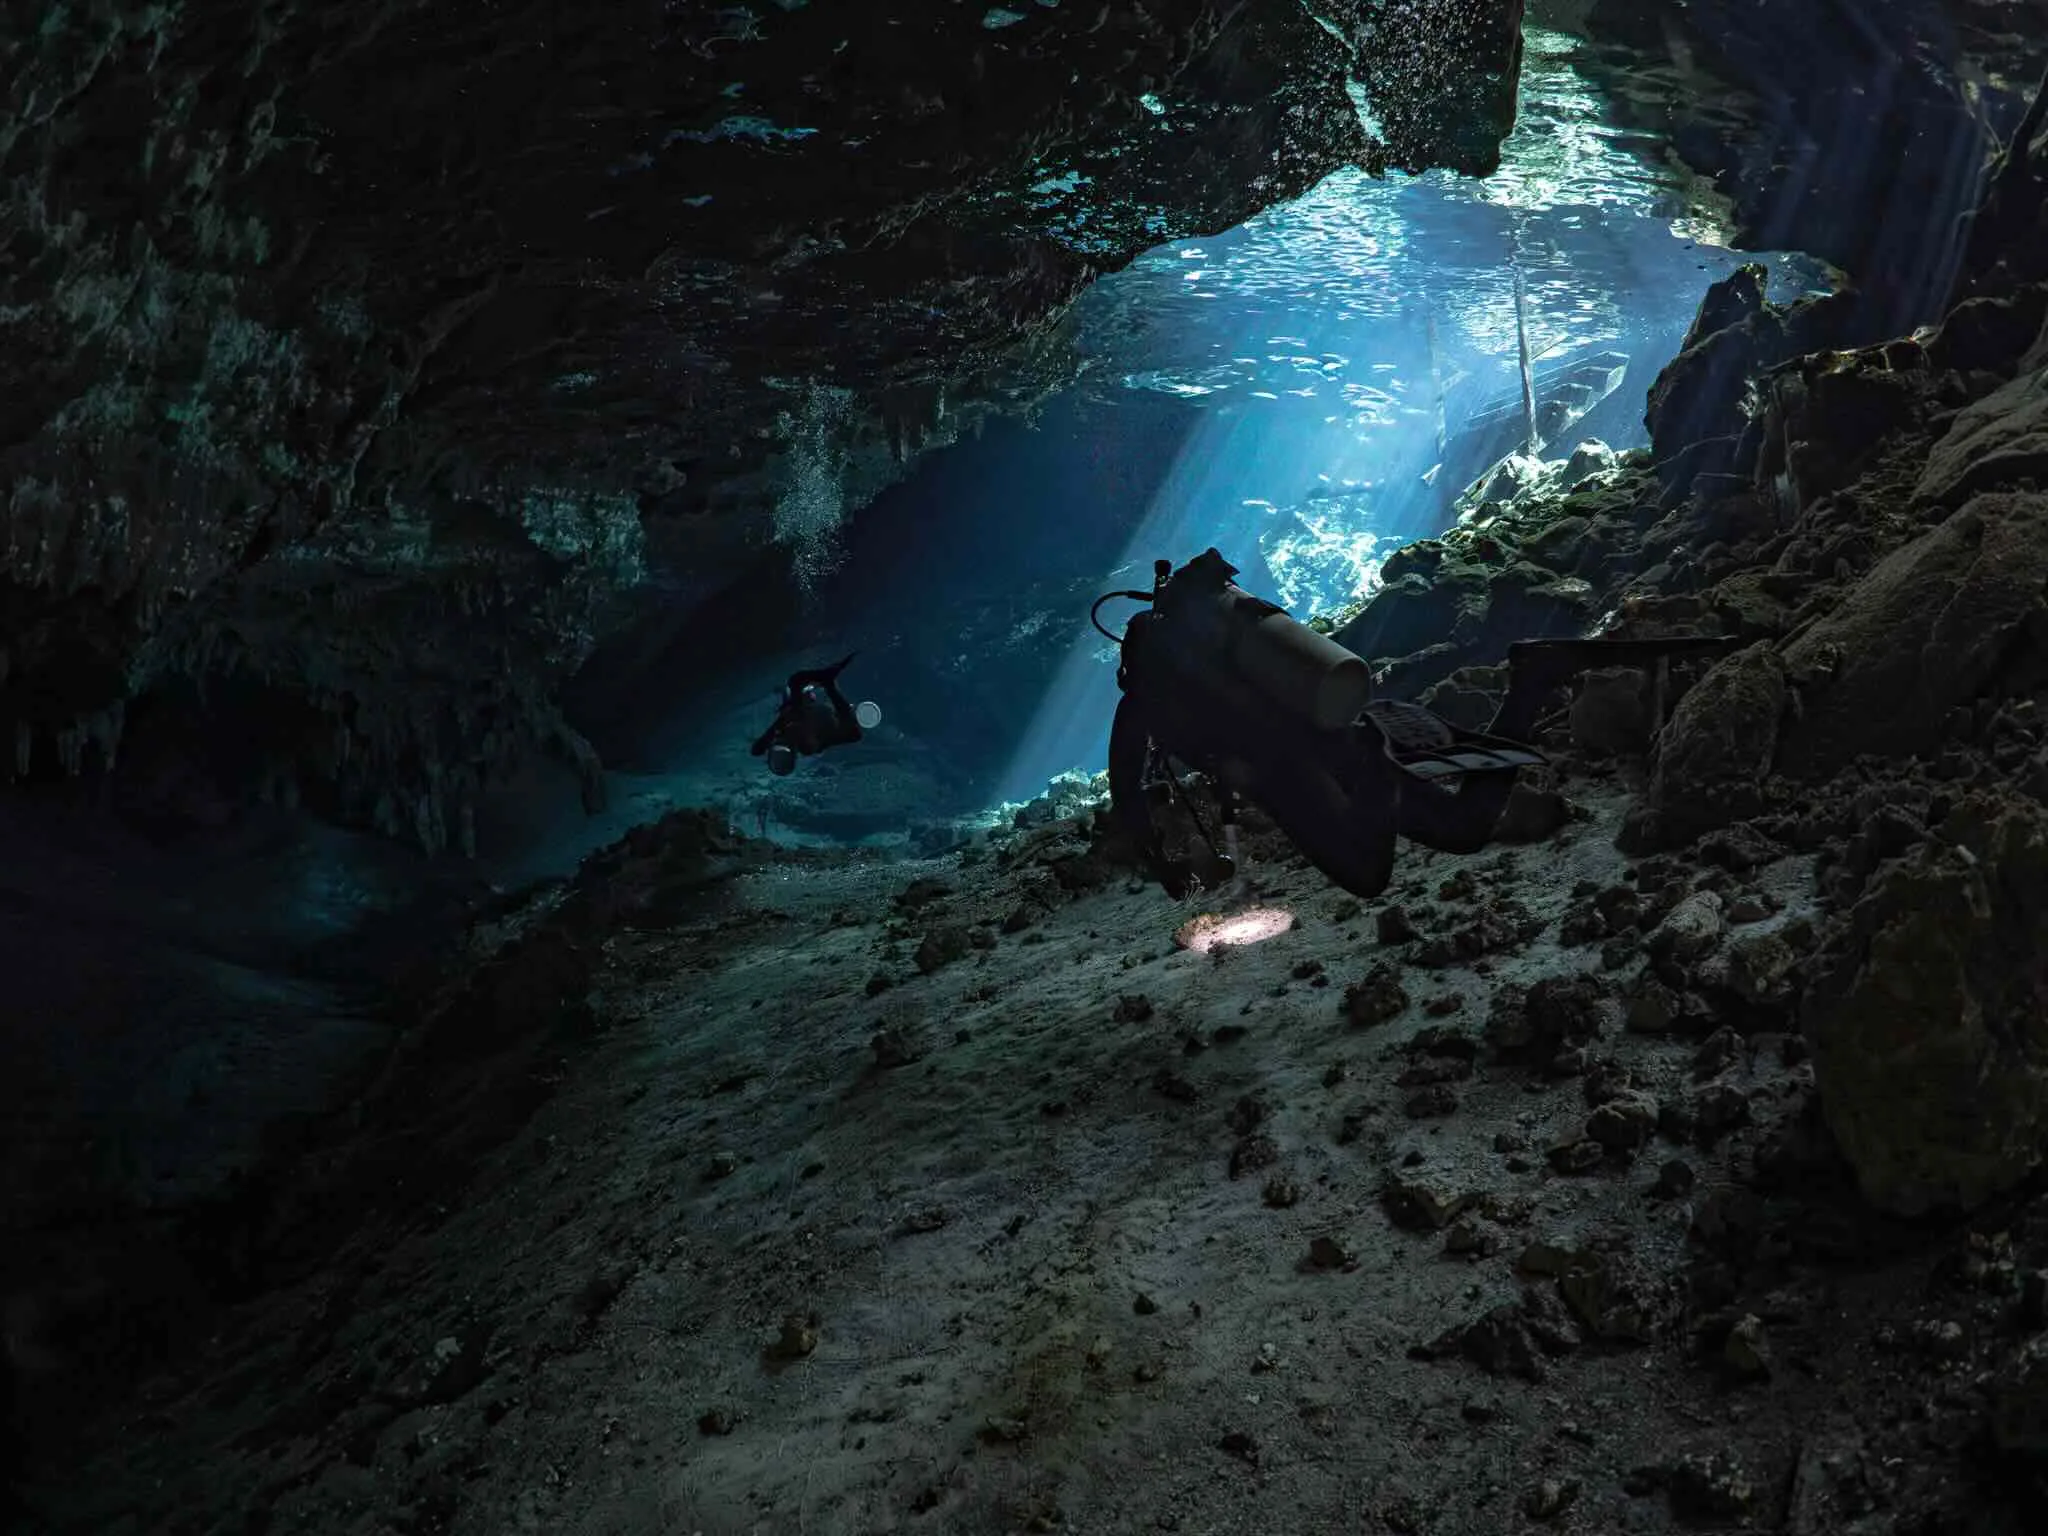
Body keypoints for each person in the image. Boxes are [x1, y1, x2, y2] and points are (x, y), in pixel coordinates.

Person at [751, 653, 864, 775]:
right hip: (820, 719)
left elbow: (757, 749)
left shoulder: (788, 729)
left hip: (817, 718)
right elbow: (757, 749)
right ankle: (827, 682)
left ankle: (827, 682)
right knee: (795, 682)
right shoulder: (801, 740)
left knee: (795, 683)